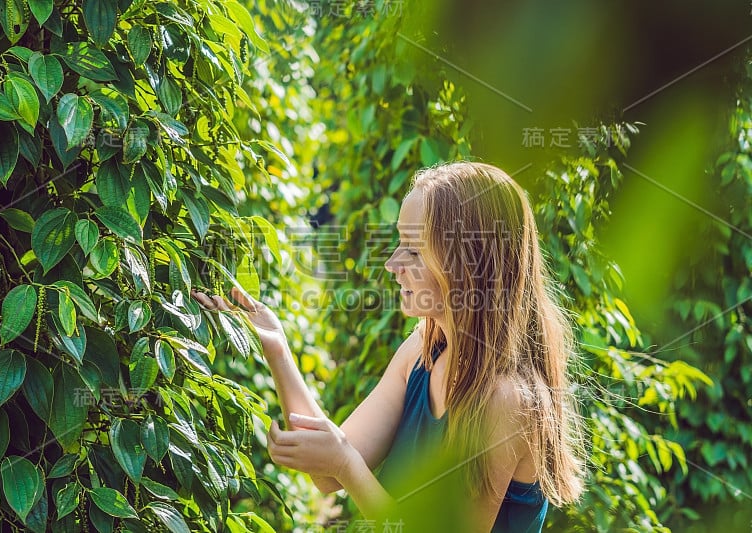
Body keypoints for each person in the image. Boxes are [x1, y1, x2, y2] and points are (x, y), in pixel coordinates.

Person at [192, 161, 585, 532]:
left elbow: (344, 464)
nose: (393, 264)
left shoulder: (510, 400)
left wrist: (346, 464)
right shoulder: (422, 352)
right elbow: (327, 474)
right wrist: (276, 348)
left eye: (414, 250)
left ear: (470, 263)